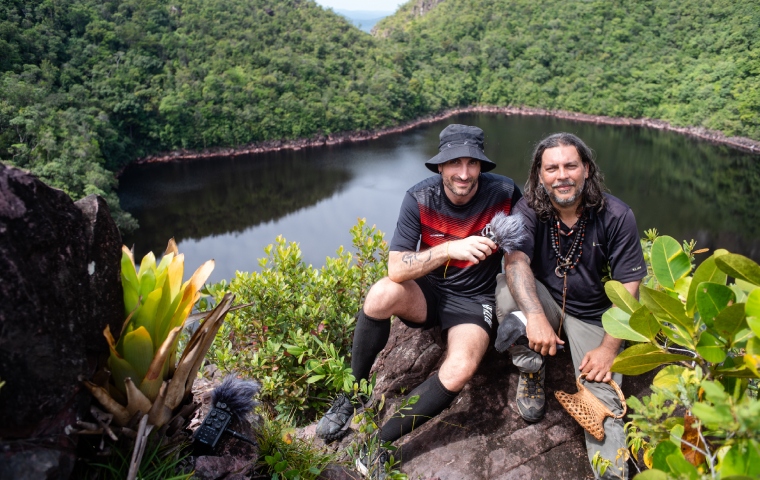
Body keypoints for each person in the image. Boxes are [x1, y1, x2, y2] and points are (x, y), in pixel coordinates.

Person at [315, 124, 522, 477]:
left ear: (481, 166)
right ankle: (353, 394)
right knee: (380, 293)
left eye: (472, 163)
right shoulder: (420, 198)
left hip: (474, 298)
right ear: (440, 166)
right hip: (427, 292)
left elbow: (521, 253)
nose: (464, 173)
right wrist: (449, 249)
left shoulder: (504, 192)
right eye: (454, 163)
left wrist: (523, 309)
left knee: (461, 368)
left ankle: (379, 441)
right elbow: (396, 268)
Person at [495, 132, 646, 479]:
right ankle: (532, 366)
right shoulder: (529, 209)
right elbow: (516, 263)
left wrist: (610, 347)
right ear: (539, 175)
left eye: (570, 165)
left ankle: (610, 472)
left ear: (587, 170)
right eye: (552, 168)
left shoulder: (616, 215)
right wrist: (534, 316)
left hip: (592, 316)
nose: (561, 175)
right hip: (545, 302)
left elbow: (629, 287)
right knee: (508, 290)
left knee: (601, 402)